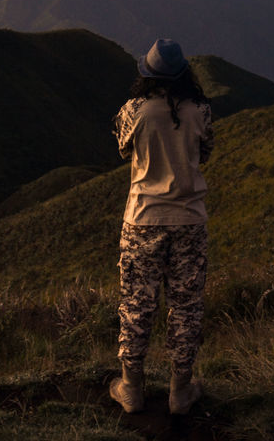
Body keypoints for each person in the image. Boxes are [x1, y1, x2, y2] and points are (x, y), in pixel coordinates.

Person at [110, 37, 214, 416]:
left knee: (137, 304)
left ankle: (131, 389)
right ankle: (179, 392)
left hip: (143, 219)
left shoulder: (134, 110)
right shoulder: (200, 110)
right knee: (186, 306)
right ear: (184, 74)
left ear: (147, 74)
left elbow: (123, 148)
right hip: (189, 219)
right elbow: (205, 153)